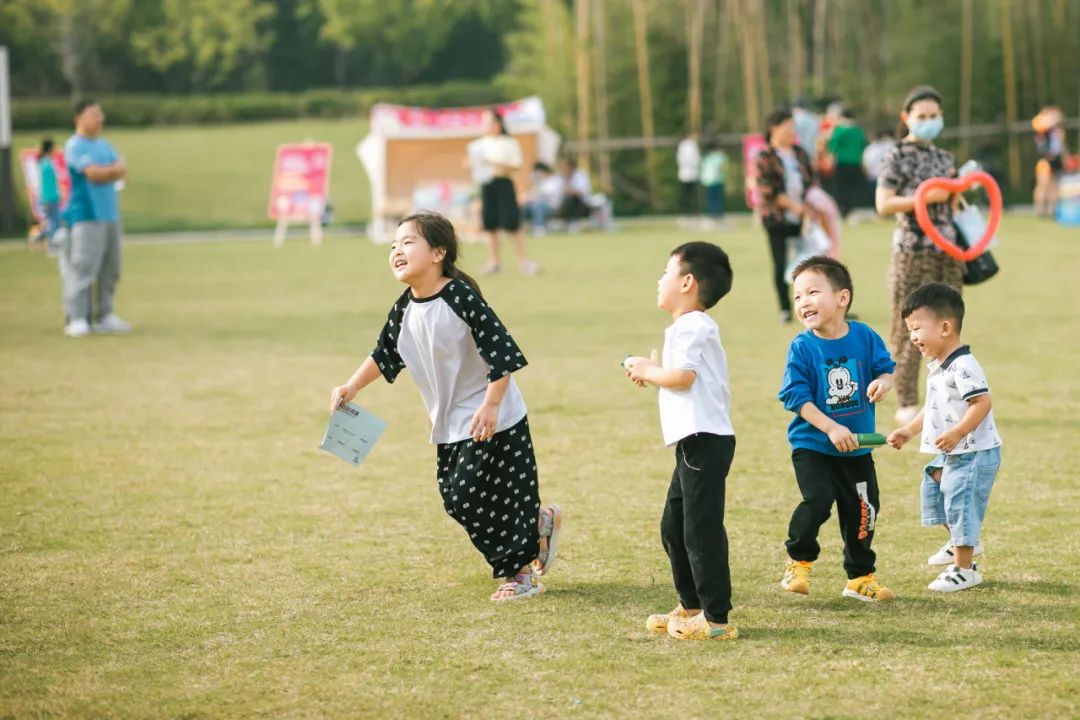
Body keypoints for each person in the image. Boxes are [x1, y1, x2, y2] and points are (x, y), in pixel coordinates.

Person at [329, 211, 562, 603]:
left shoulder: (459, 297)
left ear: (438, 253)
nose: (397, 251)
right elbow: (386, 354)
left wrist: (490, 406)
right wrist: (351, 387)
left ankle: (521, 574)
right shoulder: (404, 308)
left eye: (408, 243)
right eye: (393, 245)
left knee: (476, 494)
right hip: (451, 421)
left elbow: (501, 353)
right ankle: (537, 525)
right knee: (455, 498)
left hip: (494, 415)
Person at [623, 241, 738, 641]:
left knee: (700, 530)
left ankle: (717, 620)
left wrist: (649, 369)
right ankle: (690, 605)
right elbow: (678, 378)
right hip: (693, 444)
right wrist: (654, 372)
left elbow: (682, 377)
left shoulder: (694, 325)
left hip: (705, 441)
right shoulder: (685, 327)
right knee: (674, 526)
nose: (660, 280)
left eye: (666, 273)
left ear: (687, 282)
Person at [777, 256, 897, 603]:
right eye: (797, 296)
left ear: (842, 298)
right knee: (818, 501)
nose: (803, 302)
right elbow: (795, 397)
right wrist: (830, 427)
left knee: (864, 509)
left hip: (857, 447)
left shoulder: (864, 336)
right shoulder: (802, 346)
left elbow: (886, 370)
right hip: (813, 444)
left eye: (812, 292)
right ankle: (798, 562)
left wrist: (883, 383)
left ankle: (860, 577)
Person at [887, 284, 1002, 592]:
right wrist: (909, 431)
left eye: (916, 328)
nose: (912, 337)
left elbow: (982, 403)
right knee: (934, 481)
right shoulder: (939, 365)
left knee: (960, 501)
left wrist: (957, 432)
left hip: (974, 450)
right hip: (956, 450)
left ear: (946, 327)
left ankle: (965, 569)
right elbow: (934, 407)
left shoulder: (963, 366)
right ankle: (963, 541)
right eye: (909, 329)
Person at [875, 85, 963, 425]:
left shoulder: (944, 157)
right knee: (908, 326)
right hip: (913, 250)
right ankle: (907, 400)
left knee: (947, 324)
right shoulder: (897, 155)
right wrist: (927, 197)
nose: (928, 122)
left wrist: (957, 190)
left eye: (934, 116)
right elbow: (884, 204)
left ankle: (948, 396)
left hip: (949, 250)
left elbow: (952, 202)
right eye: (921, 116)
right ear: (906, 118)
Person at [62, 99, 131, 338]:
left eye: (100, 114)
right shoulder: (75, 146)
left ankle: (105, 315)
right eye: (93, 114)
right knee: (83, 267)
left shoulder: (104, 145)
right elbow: (92, 174)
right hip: (86, 214)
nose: (99, 119)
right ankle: (77, 317)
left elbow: (121, 168)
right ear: (78, 118)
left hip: (109, 212)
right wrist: (110, 171)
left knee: (111, 267)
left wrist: (109, 171)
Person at [756, 108, 814, 324]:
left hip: (804, 218)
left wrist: (809, 206)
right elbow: (768, 189)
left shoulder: (799, 153)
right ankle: (785, 308)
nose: (791, 132)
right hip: (777, 218)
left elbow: (811, 181)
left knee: (809, 262)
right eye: (787, 127)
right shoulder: (765, 157)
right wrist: (794, 207)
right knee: (780, 262)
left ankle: (813, 306)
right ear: (774, 128)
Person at [469, 109, 539, 275]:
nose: (487, 126)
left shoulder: (509, 143)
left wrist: (492, 162)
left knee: (512, 223)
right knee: (490, 224)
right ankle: (493, 263)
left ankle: (524, 261)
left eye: (490, 122)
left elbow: (516, 165)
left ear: (498, 124)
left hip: (504, 183)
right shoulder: (479, 145)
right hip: (487, 185)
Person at [826, 109, 869, 218]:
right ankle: (857, 208)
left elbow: (832, 147)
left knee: (842, 188)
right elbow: (863, 147)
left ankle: (843, 210)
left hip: (841, 163)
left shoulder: (839, 130)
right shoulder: (858, 131)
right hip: (856, 162)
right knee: (855, 188)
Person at [1032, 105, 1067, 217]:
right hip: (1045, 159)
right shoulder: (1042, 127)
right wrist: (1051, 118)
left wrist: (1065, 157)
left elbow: (1061, 146)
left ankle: (1052, 210)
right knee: (1042, 184)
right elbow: (1038, 123)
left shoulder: (1058, 130)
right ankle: (1039, 209)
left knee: (1054, 185)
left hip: (1056, 160)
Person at [521, 162, 563, 235]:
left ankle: (539, 228)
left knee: (539, 205)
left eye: (537, 172)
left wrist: (529, 197)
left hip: (552, 206)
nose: (535, 174)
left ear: (543, 171)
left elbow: (543, 195)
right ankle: (521, 228)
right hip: (537, 205)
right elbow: (532, 194)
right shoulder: (539, 182)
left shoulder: (555, 180)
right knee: (524, 207)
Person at [36, 138, 62, 253]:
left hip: (51, 198)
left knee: (54, 222)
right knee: (53, 223)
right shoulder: (46, 164)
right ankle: (51, 246)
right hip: (49, 198)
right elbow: (48, 184)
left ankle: (39, 238)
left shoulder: (46, 162)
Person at [557, 158, 592, 231]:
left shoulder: (580, 175)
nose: (563, 170)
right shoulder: (560, 177)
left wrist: (570, 191)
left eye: (565, 168)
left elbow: (583, 192)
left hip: (581, 203)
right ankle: (566, 223)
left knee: (571, 198)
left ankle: (573, 223)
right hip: (565, 204)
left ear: (570, 167)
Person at [700, 142, 728, 223]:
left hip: (710, 180)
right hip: (716, 180)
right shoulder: (720, 157)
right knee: (716, 199)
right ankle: (716, 214)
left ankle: (713, 214)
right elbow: (722, 167)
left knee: (712, 199)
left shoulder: (707, 157)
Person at [676, 132, 701, 223]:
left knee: (693, 196)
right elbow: (684, 159)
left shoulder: (693, 145)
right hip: (685, 173)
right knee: (685, 195)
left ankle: (693, 212)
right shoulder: (685, 145)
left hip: (693, 174)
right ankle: (684, 212)